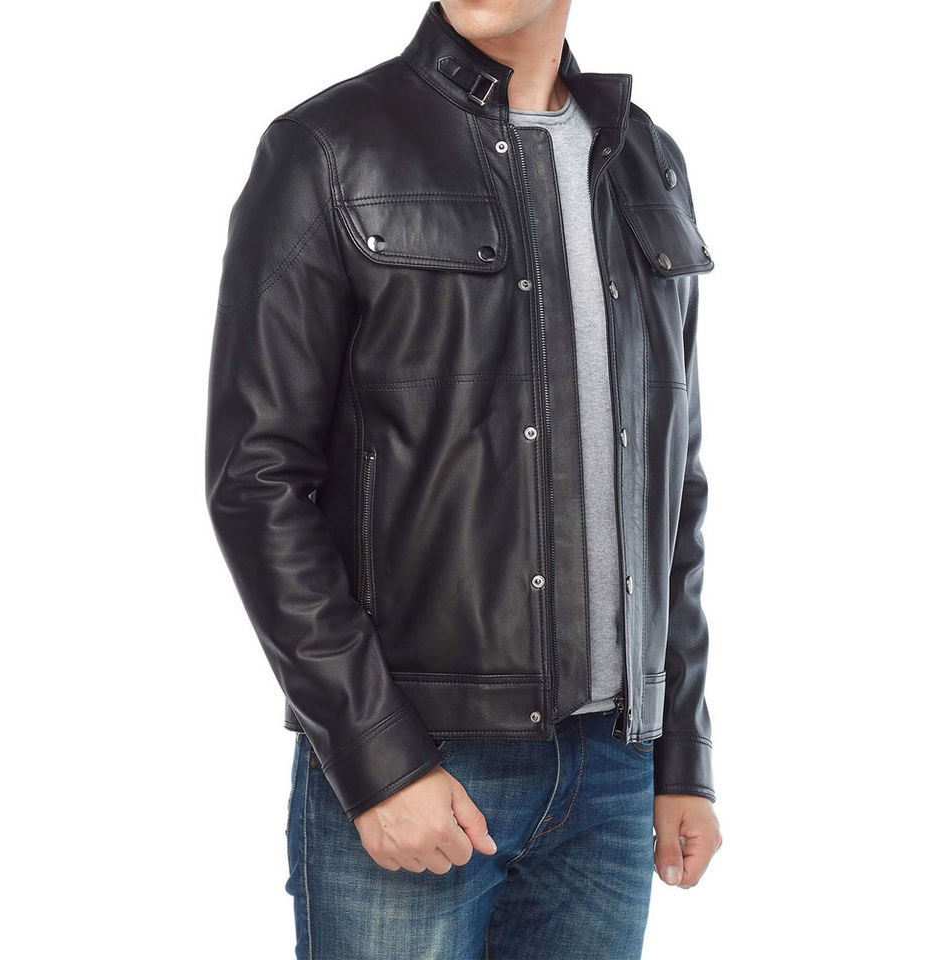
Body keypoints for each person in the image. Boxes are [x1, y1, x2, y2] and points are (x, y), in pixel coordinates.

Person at [205, 1, 723, 956]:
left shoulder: (647, 159)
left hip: (614, 773)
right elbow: (257, 480)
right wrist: (377, 757)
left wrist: (681, 748)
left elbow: (671, 482)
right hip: (419, 760)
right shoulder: (329, 149)